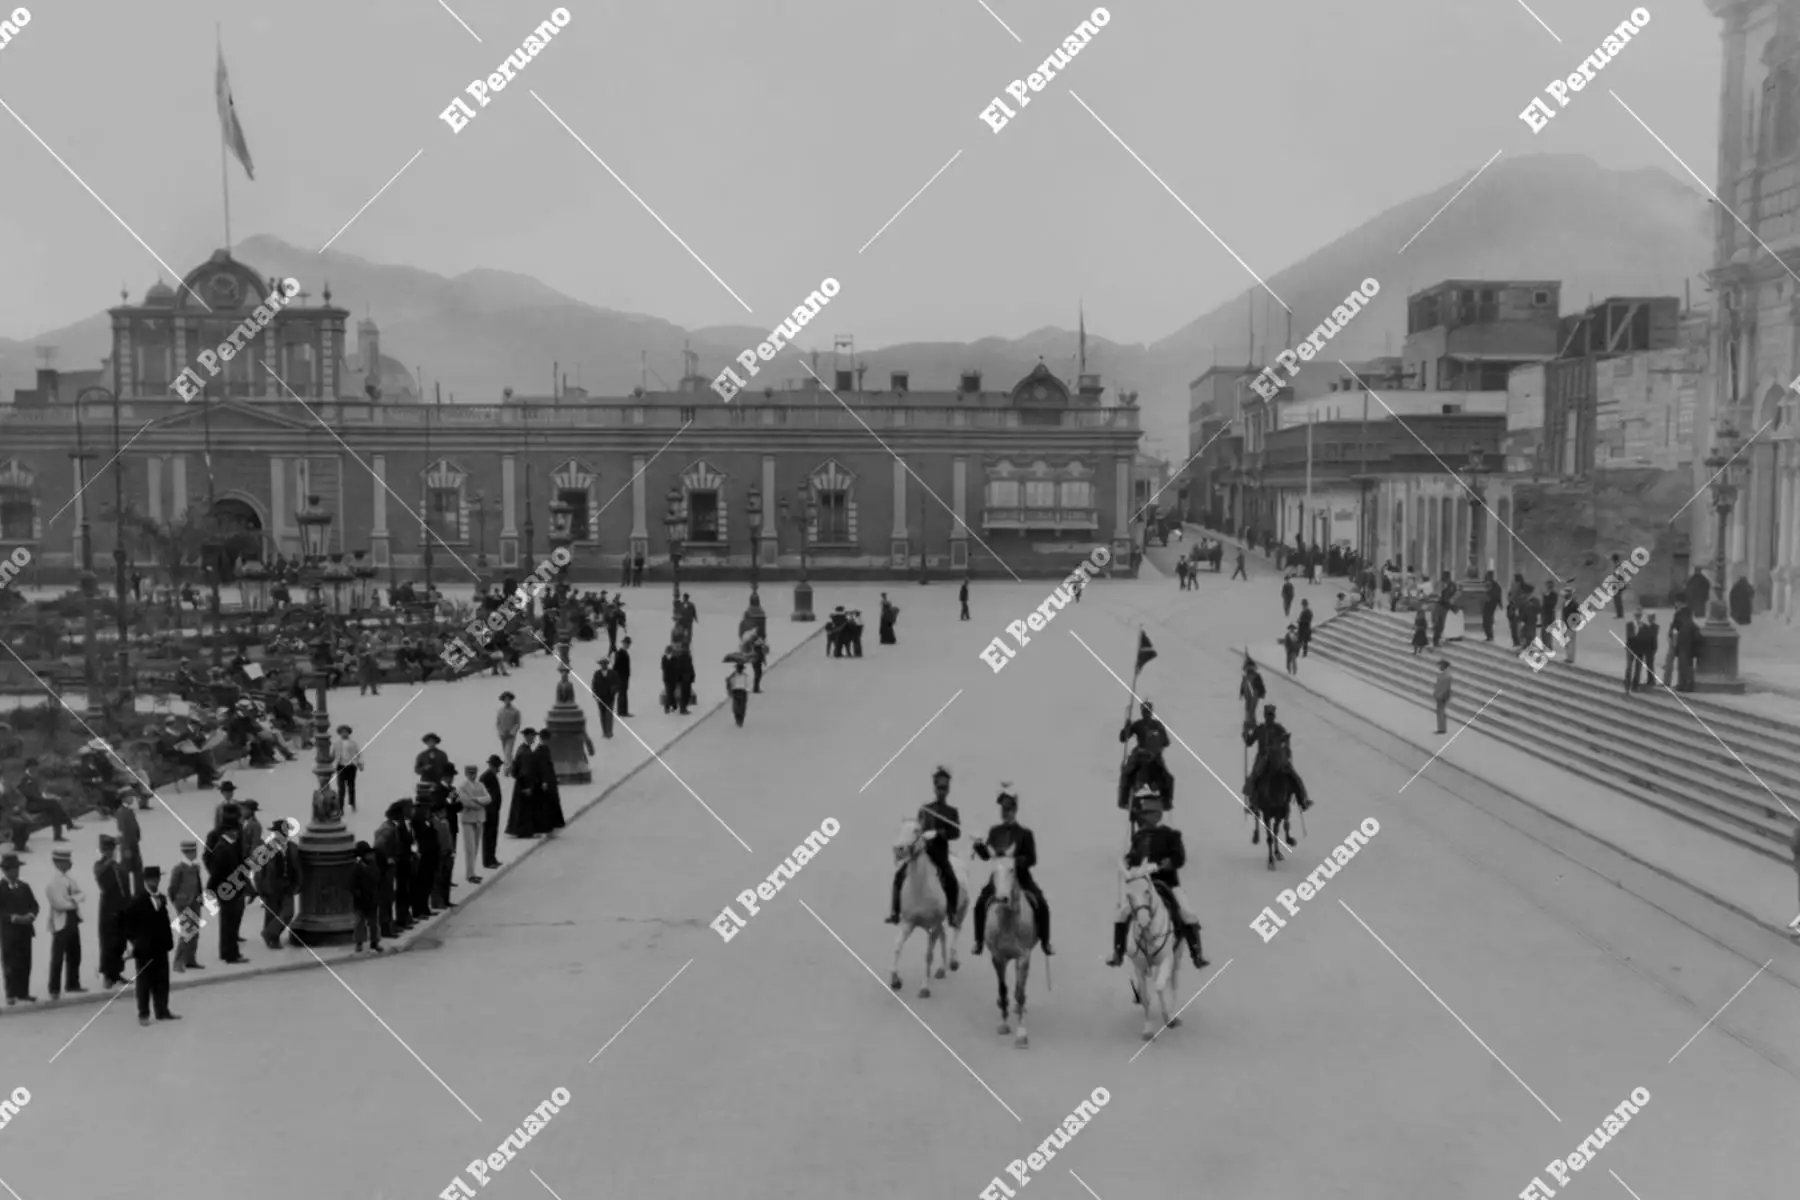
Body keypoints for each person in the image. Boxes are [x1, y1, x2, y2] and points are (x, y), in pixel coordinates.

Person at [1105, 799, 1207, 970]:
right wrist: (1129, 861)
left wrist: (1170, 862)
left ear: (1159, 815)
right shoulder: (1138, 837)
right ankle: (1118, 953)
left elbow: (1179, 857)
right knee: (1121, 913)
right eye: (1144, 814)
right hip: (1143, 885)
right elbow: (1134, 857)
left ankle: (1196, 954)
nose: (1146, 817)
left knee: (1188, 912)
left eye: (1150, 813)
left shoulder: (1172, 835)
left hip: (1167, 883)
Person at [970, 787, 1051, 956]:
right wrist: (978, 845)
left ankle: (1045, 941)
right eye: (1002, 809)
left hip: (1021, 878)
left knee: (1041, 903)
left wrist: (1014, 860)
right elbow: (987, 856)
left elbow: (1032, 859)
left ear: (1015, 810)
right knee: (979, 904)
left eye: (1008, 809)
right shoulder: (994, 831)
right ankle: (978, 942)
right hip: (999, 878)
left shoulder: (1025, 834)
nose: (1005, 813)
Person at [887, 767, 962, 925]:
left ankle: (952, 913)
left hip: (940, 853)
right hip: (923, 851)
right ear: (934, 787)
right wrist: (920, 837)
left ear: (948, 789)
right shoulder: (926, 809)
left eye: (945, 788)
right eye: (939, 787)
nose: (942, 791)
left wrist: (942, 833)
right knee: (899, 875)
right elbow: (917, 829)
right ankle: (895, 912)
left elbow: (956, 833)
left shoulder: (952, 812)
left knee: (951, 879)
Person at [124, 865, 178, 1026]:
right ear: (145, 881)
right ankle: (144, 1013)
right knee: (144, 983)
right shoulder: (137, 900)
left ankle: (162, 1010)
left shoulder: (161, 898)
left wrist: (168, 942)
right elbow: (127, 924)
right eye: (150, 879)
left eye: (156, 879)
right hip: (144, 949)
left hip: (160, 946)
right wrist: (136, 942)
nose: (154, 882)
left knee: (162, 980)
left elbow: (164, 921)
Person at [1243, 704, 1311, 811]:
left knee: (1294, 775)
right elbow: (1249, 742)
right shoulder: (1260, 729)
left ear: (1274, 716)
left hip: (1277, 758)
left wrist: (1285, 741)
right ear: (1265, 716)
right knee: (1254, 777)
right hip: (1263, 758)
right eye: (1268, 715)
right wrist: (1246, 735)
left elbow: (1285, 739)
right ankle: (1253, 803)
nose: (1270, 718)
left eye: (1271, 715)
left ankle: (1302, 800)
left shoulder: (1279, 728)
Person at [44, 847, 85, 999]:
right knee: (58, 956)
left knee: (75, 953)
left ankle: (72, 983)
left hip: (72, 919)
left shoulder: (70, 879)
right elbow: (58, 904)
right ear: (58, 862)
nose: (69, 864)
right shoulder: (53, 882)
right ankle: (54, 988)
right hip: (60, 920)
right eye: (66, 861)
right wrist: (73, 901)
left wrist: (72, 899)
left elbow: (81, 894)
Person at [0, 852, 38, 1005]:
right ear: (5, 871)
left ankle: (24, 992)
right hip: (9, 931)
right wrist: (13, 918)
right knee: (10, 962)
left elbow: (34, 905)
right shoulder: (1, 888)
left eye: (17, 868)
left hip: (25, 929)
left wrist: (31, 916)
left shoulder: (24, 886)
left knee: (25, 960)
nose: (16, 872)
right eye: (13, 869)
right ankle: (11, 993)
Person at [1119, 701, 1174, 805]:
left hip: (1143, 756)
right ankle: (1167, 801)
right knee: (1168, 778)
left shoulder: (1141, 724)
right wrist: (1127, 728)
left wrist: (1127, 728)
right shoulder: (1155, 725)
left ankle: (1124, 800)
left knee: (1127, 773)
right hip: (1149, 756)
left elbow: (1123, 738)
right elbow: (1166, 742)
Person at [95, 834, 129, 987]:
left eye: (112, 849)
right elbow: (101, 879)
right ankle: (107, 975)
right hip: (108, 907)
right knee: (108, 941)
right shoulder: (100, 865)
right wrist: (110, 862)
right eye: (107, 849)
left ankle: (116, 972)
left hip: (121, 905)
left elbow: (126, 883)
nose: (110, 852)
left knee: (121, 941)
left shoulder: (117, 865)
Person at [169, 840, 204, 973]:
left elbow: (198, 884)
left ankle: (190, 959)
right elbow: (172, 888)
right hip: (183, 904)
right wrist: (178, 902)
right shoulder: (179, 869)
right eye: (191, 852)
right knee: (186, 932)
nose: (194, 854)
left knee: (194, 932)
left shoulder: (195, 867)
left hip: (195, 902)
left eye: (194, 851)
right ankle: (178, 962)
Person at [456, 765, 489, 884]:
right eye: (470, 773)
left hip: (479, 819)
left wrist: (477, 800)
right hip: (468, 819)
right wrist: (480, 804)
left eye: (474, 773)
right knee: (469, 848)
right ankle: (469, 874)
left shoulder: (480, 785)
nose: (472, 775)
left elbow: (488, 798)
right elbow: (466, 802)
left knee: (475, 847)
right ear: (466, 774)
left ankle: (472, 872)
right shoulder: (462, 786)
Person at [350, 842, 383, 954]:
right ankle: (359, 943)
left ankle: (374, 942)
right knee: (360, 922)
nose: (371, 856)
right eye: (368, 854)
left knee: (374, 923)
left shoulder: (374, 866)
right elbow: (352, 885)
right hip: (361, 900)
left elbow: (378, 880)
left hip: (372, 898)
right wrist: (357, 893)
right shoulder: (357, 868)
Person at [479, 755, 505, 871]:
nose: (499, 769)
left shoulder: (492, 776)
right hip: (488, 811)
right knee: (488, 836)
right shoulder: (486, 777)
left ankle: (492, 858)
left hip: (494, 811)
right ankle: (487, 861)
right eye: (497, 766)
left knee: (493, 835)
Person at [333, 724, 362, 813]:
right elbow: (333, 754)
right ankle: (340, 807)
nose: (344, 734)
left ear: (348, 733)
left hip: (351, 766)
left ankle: (352, 803)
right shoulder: (337, 744)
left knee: (351, 786)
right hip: (341, 766)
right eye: (342, 732)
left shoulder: (353, 743)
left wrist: (359, 763)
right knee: (341, 788)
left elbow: (358, 754)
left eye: (346, 732)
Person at [590, 657, 617, 740]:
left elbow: (617, 683)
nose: (603, 665)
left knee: (608, 714)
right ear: (600, 665)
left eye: (605, 664)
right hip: (600, 697)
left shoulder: (612, 673)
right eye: (602, 664)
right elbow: (594, 684)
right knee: (602, 715)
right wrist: (594, 694)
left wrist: (613, 690)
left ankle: (609, 732)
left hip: (610, 697)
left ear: (607, 664)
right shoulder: (597, 674)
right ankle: (604, 732)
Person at [1239, 654, 1266, 727]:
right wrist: (1241, 692)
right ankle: (1249, 721)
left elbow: (1260, 685)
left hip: (1255, 694)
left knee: (1251, 709)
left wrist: (1262, 692)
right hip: (1248, 695)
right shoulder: (1246, 676)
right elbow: (1243, 685)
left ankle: (1251, 723)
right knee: (1248, 708)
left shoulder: (1256, 676)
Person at [496, 693, 521, 765]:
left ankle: (507, 770)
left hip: (511, 736)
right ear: (503, 700)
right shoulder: (500, 711)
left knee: (508, 752)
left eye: (508, 699)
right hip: (503, 735)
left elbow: (517, 723)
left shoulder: (515, 711)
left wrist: (511, 732)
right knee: (506, 753)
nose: (507, 700)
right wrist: (501, 733)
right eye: (505, 699)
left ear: (511, 700)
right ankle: (510, 767)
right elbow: (497, 723)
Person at [727, 661, 751, 727]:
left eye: (741, 668)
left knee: (742, 707)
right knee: (736, 707)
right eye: (738, 668)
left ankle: (740, 720)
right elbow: (729, 683)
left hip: (743, 692)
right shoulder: (733, 676)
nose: (739, 670)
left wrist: (747, 689)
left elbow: (748, 683)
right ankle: (737, 719)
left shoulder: (745, 675)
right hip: (736, 692)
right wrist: (730, 691)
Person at [1433, 659, 1452, 735]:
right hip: (1439, 695)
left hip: (1442, 696)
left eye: (1440, 665)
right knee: (1440, 712)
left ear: (1444, 666)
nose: (1439, 667)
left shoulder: (1447, 676)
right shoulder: (1444, 674)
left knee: (1441, 712)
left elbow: (1445, 688)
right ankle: (1441, 728)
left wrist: (1440, 695)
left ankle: (1441, 729)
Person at [1482, 571, 1502, 642]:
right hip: (1490, 604)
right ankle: (1489, 635)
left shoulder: (1493, 585)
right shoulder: (1494, 584)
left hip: (1490, 604)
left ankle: (1490, 636)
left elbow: (1497, 595)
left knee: (1487, 620)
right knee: (1487, 619)